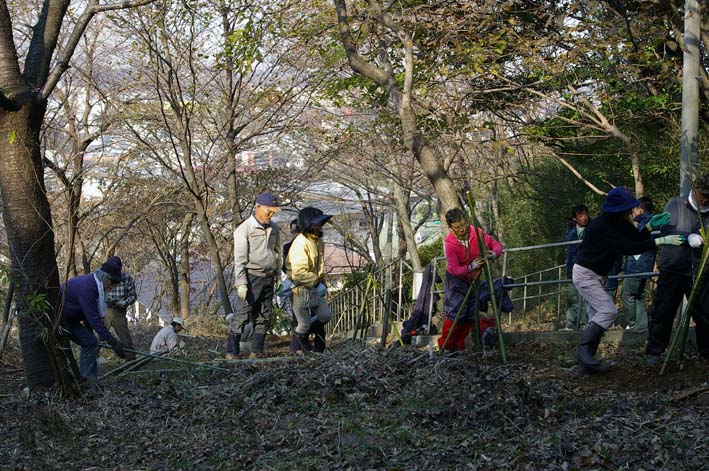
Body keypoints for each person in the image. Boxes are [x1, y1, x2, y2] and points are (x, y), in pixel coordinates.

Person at [572, 187, 682, 374]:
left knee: (595, 318)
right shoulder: (601, 226)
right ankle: (582, 351)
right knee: (608, 312)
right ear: (617, 209)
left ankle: (586, 365)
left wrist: (649, 226)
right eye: (628, 208)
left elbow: (636, 237)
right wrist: (660, 241)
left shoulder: (619, 222)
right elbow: (628, 247)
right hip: (585, 274)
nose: (630, 211)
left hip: (600, 275)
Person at [645, 174, 709, 365]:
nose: (705, 199)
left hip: (701, 271)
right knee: (664, 310)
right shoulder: (676, 205)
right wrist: (688, 237)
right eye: (703, 195)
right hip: (673, 267)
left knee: (705, 313)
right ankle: (654, 351)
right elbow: (666, 228)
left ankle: (706, 350)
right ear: (695, 191)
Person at [438, 208, 503, 353]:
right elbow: (454, 268)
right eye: (457, 227)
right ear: (451, 228)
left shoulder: (477, 233)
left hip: (474, 279)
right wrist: (470, 266)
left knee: (470, 314)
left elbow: (497, 246)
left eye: (463, 225)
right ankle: (446, 346)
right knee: (456, 314)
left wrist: (494, 254)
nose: (462, 229)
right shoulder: (450, 244)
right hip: (456, 281)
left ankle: (460, 346)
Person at [231, 192, 282, 357]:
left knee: (264, 314)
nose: (271, 214)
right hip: (251, 277)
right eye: (269, 210)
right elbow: (239, 258)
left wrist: (279, 275)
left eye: (273, 211)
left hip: (269, 277)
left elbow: (277, 252)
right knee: (242, 315)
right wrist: (241, 282)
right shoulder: (244, 229)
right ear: (258, 207)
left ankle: (257, 351)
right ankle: (232, 352)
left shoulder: (274, 228)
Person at [60, 260, 127, 380]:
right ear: (105, 277)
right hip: (60, 320)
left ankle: (89, 378)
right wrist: (113, 342)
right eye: (113, 281)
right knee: (89, 342)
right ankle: (88, 379)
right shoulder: (88, 288)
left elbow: (88, 316)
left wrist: (92, 334)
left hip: (70, 319)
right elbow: (93, 319)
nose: (113, 285)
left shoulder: (95, 286)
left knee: (90, 341)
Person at [286, 207, 332, 353]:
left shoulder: (318, 241)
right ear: (307, 225)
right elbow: (299, 272)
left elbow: (319, 266)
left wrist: (321, 282)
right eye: (316, 223)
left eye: (321, 223)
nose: (320, 226)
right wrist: (317, 283)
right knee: (303, 324)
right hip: (301, 289)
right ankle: (303, 343)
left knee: (325, 315)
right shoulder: (300, 243)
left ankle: (300, 335)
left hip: (315, 287)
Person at [619, 196, 656, 332]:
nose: (632, 212)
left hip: (637, 265)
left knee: (627, 294)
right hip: (644, 265)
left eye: (634, 209)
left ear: (640, 209)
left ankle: (634, 323)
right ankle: (641, 324)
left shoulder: (645, 224)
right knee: (638, 295)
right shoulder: (651, 222)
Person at [103, 256, 137, 360]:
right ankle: (93, 359)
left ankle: (131, 359)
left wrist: (124, 303)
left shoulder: (127, 278)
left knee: (125, 338)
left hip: (120, 311)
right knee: (99, 336)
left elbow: (133, 296)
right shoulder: (104, 278)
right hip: (105, 310)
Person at [563, 204, 590, 330]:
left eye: (585, 214)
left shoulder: (592, 228)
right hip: (572, 268)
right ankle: (571, 324)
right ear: (575, 218)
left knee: (587, 297)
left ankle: (587, 323)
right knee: (572, 297)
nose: (584, 218)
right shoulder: (570, 229)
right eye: (580, 215)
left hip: (587, 268)